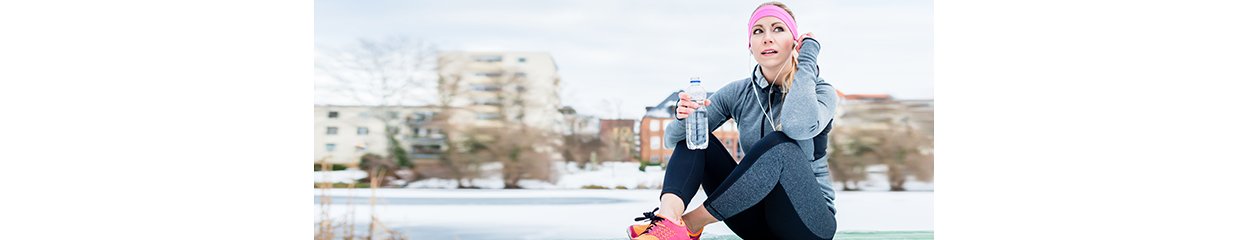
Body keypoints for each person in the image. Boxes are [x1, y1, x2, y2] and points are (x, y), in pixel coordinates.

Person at [627, 2, 838, 240]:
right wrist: (684, 116)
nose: (767, 38)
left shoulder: (821, 93)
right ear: (750, 45)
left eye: (778, 29)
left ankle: (690, 223)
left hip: (808, 224)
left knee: (781, 145)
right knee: (696, 136)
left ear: (794, 41)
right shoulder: (738, 92)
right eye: (758, 31)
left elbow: (796, 125)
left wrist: (807, 57)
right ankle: (667, 223)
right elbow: (673, 139)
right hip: (754, 220)